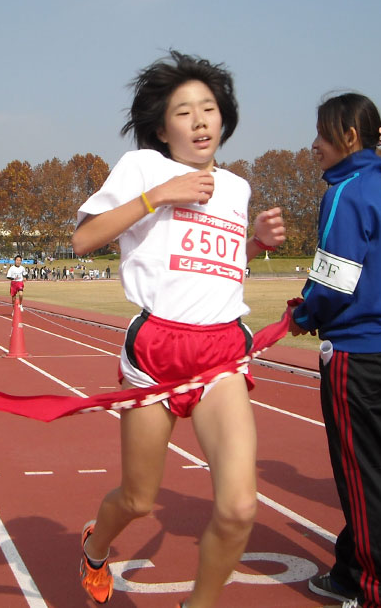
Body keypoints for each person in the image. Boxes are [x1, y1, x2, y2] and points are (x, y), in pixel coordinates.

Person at [72, 51, 285, 608]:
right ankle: (97, 546)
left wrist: (255, 242)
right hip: (156, 351)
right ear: (162, 128)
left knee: (239, 507)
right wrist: (159, 196)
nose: (199, 121)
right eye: (184, 111)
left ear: (224, 119)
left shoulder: (236, 189)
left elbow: (214, 268)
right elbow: (83, 240)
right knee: (140, 500)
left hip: (221, 352)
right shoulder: (143, 169)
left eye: (209, 109)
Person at [290, 93, 381, 608]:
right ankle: (351, 570)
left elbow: (334, 280)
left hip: (361, 354)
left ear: (349, 137)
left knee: (365, 478)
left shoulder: (347, 191)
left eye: (322, 134)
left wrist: (305, 314)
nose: (314, 145)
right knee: (375, 470)